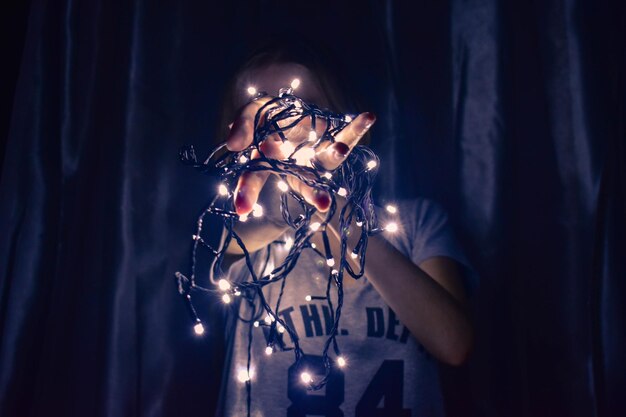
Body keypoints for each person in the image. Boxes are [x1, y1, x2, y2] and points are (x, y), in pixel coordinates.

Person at [212, 39, 475, 417]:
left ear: (345, 125)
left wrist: (336, 212)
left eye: (299, 108)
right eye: (261, 114)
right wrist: (276, 212)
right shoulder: (245, 240)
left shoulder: (416, 225)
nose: (281, 131)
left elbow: (454, 344)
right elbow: (200, 275)